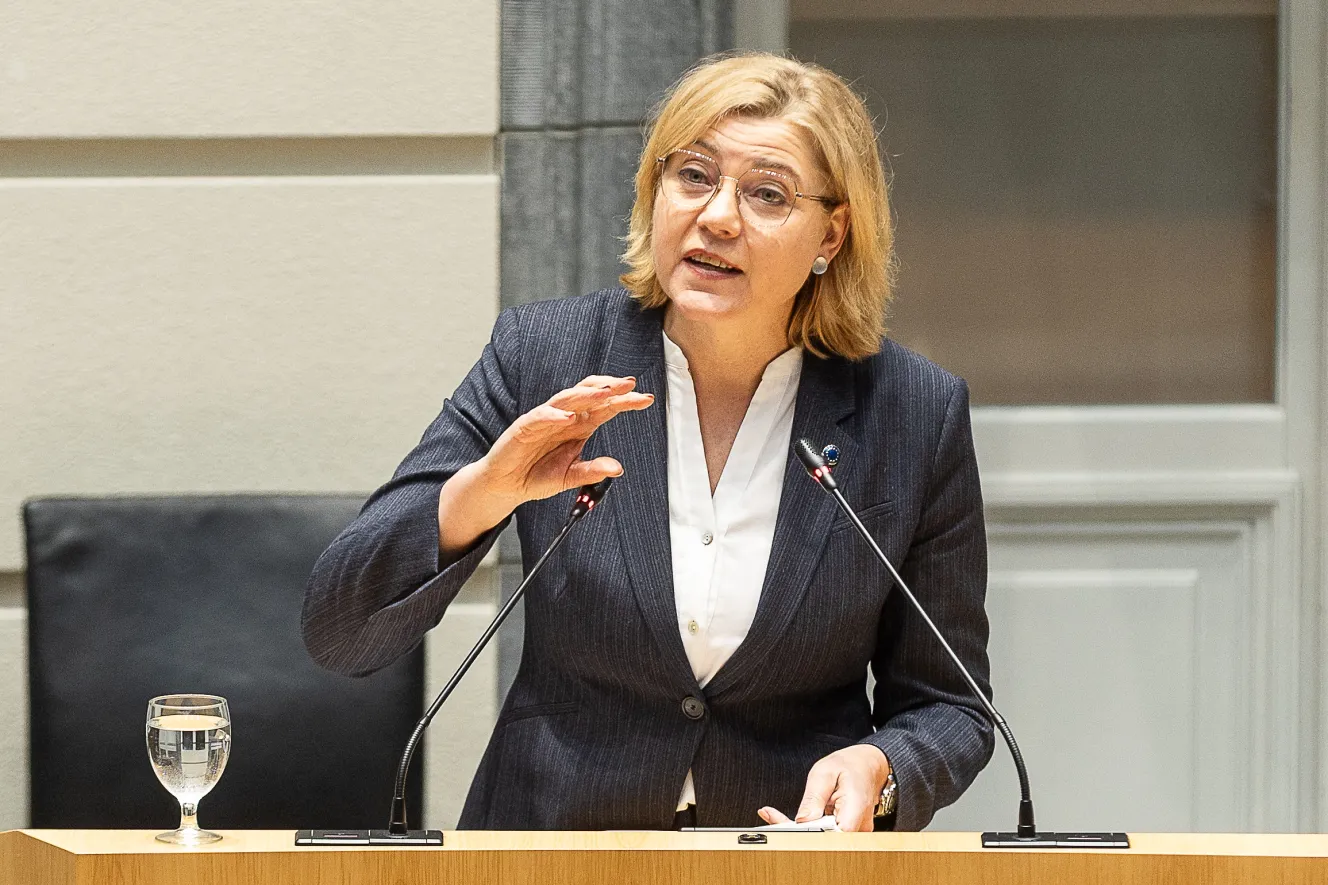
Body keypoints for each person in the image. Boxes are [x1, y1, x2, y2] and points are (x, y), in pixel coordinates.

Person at [302, 51, 994, 832]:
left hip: (780, 861)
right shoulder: (547, 357)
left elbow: (950, 707)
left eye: (767, 193)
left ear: (832, 234)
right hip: (553, 852)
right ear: (656, 191)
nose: (719, 215)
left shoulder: (912, 411)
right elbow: (341, 628)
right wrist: (482, 493)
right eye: (693, 176)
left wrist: (885, 766)